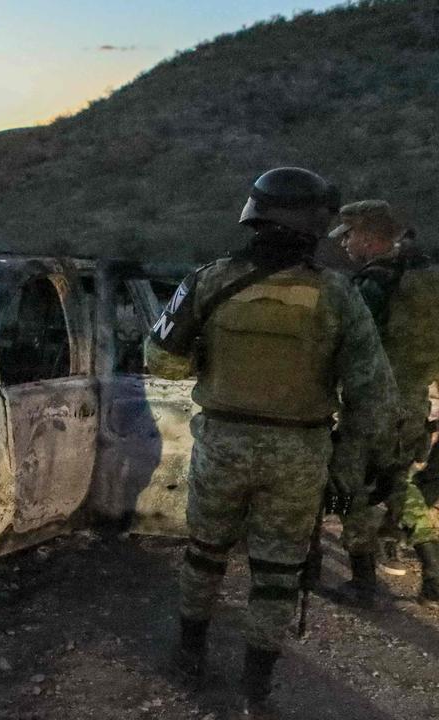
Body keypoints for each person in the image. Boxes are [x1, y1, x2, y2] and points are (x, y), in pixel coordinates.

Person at [146, 168, 395, 716]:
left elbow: (161, 358)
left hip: (223, 444)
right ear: (315, 226)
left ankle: (189, 656)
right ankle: (256, 692)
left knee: (205, 554)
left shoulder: (207, 279)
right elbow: (374, 397)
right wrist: (348, 468)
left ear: (252, 214)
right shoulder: (338, 293)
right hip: (300, 453)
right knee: (278, 573)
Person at [330, 200, 439, 607]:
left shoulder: (376, 282)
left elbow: (354, 344)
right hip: (413, 405)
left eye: (349, 234)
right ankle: (433, 576)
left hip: (372, 405)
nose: (344, 243)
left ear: (371, 237)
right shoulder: (426, 276)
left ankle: (363, 584)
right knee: (398, 485)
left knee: (352, 490)